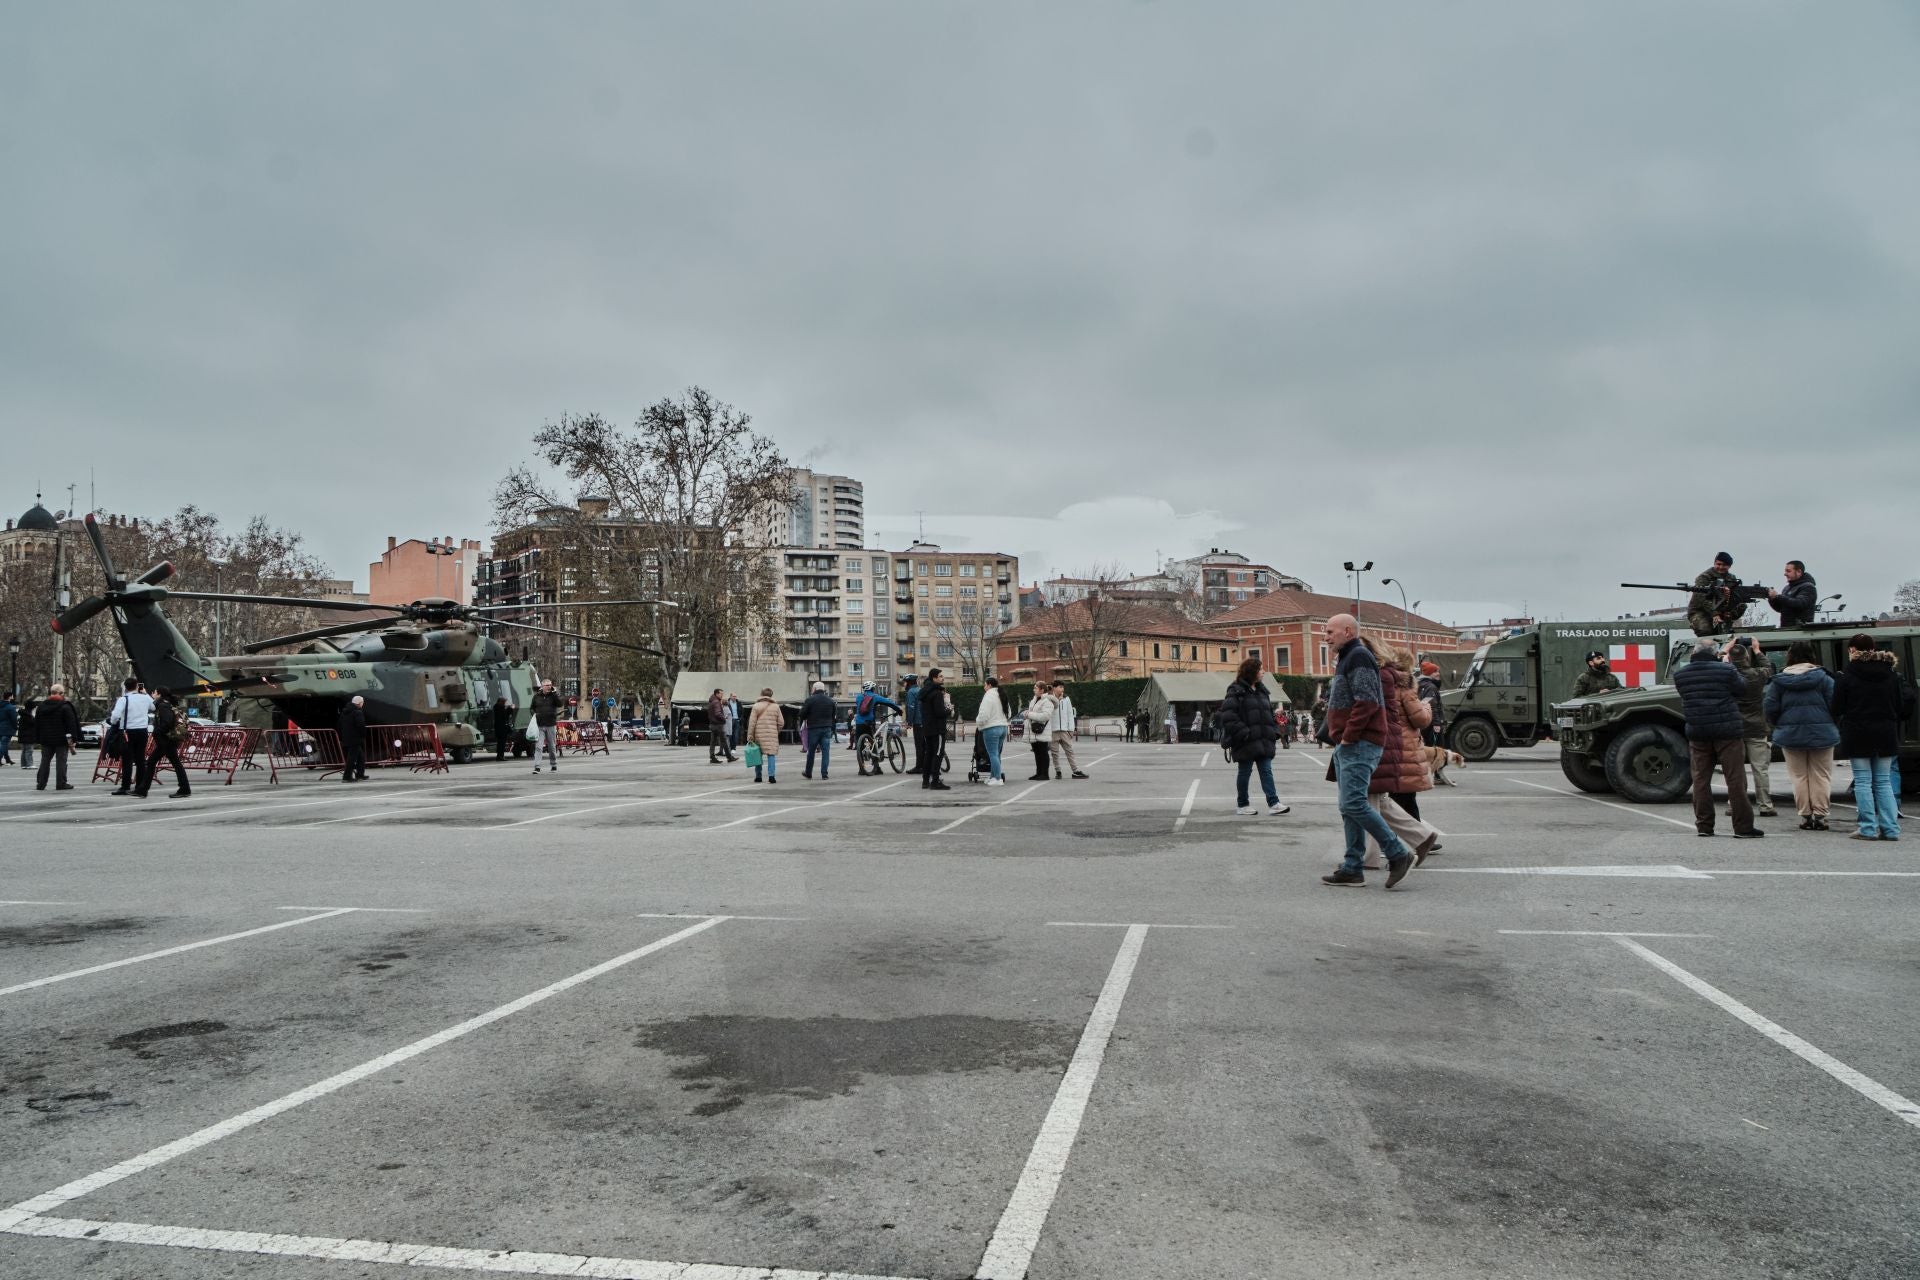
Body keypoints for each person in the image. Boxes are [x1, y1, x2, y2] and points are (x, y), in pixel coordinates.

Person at [1319, 616, 1416, 888]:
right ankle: (1352, 867)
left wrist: (1349, 736)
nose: (1326, 637)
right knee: (1348, 806)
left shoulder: (1359, 656)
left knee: (1353, 803)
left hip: (1359, 743)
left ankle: (1398, 854)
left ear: (1347, 631)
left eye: (1330, 631)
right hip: (1350, 744)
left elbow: (1368, 701)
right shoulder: (1349, 657)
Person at [1673, 639, 1762, 838]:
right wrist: (1728, 663)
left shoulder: (1680, 675)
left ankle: (1704, 826)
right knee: (1735, 780)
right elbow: (1742, 689)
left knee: (1700, 780)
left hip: (1698, 731)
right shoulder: (1726, 670)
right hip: (1728, 731)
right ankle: (1743, 827)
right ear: (1715, 654)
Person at [1364, 647, 1442, 865]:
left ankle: (1411, 841)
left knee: (1388, 798)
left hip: (1387, 745)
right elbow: (1419, 719)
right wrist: (1426, 708)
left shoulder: (1381, 681)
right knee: (1401, 797)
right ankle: (1418, 839)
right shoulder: (1405, 686)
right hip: (1404, 745)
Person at [1831, 635, 1905, 842]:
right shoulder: (1891, 674)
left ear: (1853, 650)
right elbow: (1899, 706)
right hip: (1886, 732)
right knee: (1883, 782)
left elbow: (1836, 708)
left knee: (1863, 781)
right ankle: (1890, 829)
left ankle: (1868, 828)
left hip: (1857, 732)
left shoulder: (1846, 676)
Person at [1765, 639, 1839, 830]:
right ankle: (1821, 815)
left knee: (1799, 776)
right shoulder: (1824, 678)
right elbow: (1836, 705)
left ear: (1789, 656)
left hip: (1790, 734)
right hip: (1822, 733)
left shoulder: (1779, 681)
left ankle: (1805, 815)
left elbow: (1770, 707)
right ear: (1812, 656)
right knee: (1821, 775)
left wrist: (1779, 724)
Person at [1215, 656, 1288, 816]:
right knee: (1245, 772)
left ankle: (1274, 803)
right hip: (1246, 741)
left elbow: (1268, 713)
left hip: (1263, 739)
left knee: (1266, 771)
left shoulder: (1262, 691)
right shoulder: (1235, 690)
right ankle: (1242, 804)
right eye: (1261, 669)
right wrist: (1245, 733)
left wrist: (1274, 731)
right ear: (1252, 671)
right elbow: (1228, 716)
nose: (1263, 672)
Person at [1726, 639, 1777, 817]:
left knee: (1736, 770)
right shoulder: (1757, 674)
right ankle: (1765, 805)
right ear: (1747, 658)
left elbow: (1717, 665)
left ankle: (1735, 804)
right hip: (1757, 727)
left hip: (1734, 728)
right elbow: (1768, 667)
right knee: (1760, 769)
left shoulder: (1727, 675)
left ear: (1730, 659)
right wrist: (1757, 650)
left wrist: (1724, 651)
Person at [108, 676, 155, 797]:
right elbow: (154, 707)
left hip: (127, 731)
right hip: (142, 731)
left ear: (125, 687)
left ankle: (125, 786)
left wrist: (114, 723)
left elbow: (115, 715)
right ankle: (140, 786)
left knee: (127, 760)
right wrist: (146, 694)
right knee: (140, 759)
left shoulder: (124, 699)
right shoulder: (145, 698)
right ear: (137, 686)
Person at [140, 689, 191, 798]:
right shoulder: (165, 704)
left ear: (159, 694)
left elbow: (167, 722)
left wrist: (158, 731)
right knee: (153, 762)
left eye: (154, 692)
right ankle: (143, 789)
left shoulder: (163, 706)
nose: (152, 694)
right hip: (166, 741)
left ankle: (184, 788)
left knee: (173, 763)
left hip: (166, 741)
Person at [30, 683, 80, 790]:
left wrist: (38, 738)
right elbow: (71, 724)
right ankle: (61, 783)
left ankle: (41, 783)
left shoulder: (42, 706)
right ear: (61, 693)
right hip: (62, 739)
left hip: (46, 739)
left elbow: (37, 724)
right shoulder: (65, 706)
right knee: (61, 761)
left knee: (45, 761)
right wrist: (74, 739)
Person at [850, 681, 901, 776]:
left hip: (859, 723)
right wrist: (898, 709)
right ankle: (876, 767)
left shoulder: (859, 697)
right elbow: (888, 702)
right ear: (873, 689)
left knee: (859, 746)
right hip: (869, 723)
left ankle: (862, 769)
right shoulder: (875, 696)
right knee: (873, 743)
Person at [1687, 552, 1743, 637]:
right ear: (1714, 563)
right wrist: (1715, 614)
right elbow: (1702, 599)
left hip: (1722, 610)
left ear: (1729, 566)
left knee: (1741, 605)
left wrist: (1729, 610)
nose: (1720, 567)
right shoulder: (1704, 577)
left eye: (1724, 565)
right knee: (1705, 630)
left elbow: (1735, 595)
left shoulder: (1731, 578)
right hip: (1701, 611)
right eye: (1718, 564)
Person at [920, 668, 952, 790]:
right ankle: (935, 781)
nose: (942, 678)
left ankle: (925, 780)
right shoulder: (937, 693)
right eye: (940, 676)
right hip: (937, 728)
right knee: (937, 754)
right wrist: (948, 710)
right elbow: (939, 712)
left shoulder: (926, 691)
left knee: (928, 753)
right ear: (934, 678)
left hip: (927, 728)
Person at [975, 676, 1010, 785]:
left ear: (989, 685)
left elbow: (984, 714)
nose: (984, 687)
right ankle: (993, 776)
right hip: (1003, 727)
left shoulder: (988, 695)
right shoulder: (1001, 694)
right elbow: (1009, 712)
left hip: (991, 728)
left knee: (992, 754)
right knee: (996, 754)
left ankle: (997, 778)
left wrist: (979, 723)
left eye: (985, 685)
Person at [1049, 682, 1087, 780]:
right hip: (1053, 731)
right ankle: (1058, 771)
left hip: (1065, 730)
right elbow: (1048, 712)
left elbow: (1070, 714)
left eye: (1063, 687)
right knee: (1054, 753)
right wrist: (1057, 701)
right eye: (1060, 687)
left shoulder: (1066, 698)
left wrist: (1071, 729)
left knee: (1070, 751)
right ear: (1054, 688)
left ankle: (1075, 771)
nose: (1062, 689)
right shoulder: (1049, 698)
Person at [800, 681, 837, 780]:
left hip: (814, 728)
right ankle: (824, 774)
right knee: (826, 752)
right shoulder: (830, 701)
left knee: (811, 751)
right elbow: (833, 716)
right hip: (827, 728)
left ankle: (808, 773)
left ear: (815, 689)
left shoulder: (810, 700)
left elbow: (802, 714)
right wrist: (832, 728)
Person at [1767, 560, 1818, 629]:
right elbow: (1781, 608)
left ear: (1799, 572)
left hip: (1801, 631)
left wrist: (1778, 596)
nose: (1785, 574)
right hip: (1787, 629)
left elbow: (1799, 603)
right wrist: (1772, 599)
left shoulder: (1808, 587)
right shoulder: (1787, 588)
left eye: (1788, 571)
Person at [746, 687, 782, 783]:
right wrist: (776, 731)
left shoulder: (756, 706)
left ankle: (758, 776)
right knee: (771, 755)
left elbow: (752, 723)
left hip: (758, 735)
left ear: (762, 694)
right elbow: (781, 722)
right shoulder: (776, 706)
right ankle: (771, 776)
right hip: (772, 734)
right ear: (771, 695)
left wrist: (750, 735)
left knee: (758, 755)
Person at [528, 680, 565, 772]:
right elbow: (532, 708)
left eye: (550, 685)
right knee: (538, 746)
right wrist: (534, 714)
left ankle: (553, 764)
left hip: (550, 724)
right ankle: (537, 767)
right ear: (542, 686)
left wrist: (555, 693)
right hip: (539, 725)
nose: (549, 687)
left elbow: (560, 704)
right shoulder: (536, 696)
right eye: (547, 685)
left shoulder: (553, 696)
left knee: (551, 746)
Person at [1026, 683, 1058, 780]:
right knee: (1037, 752)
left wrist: (1029, 714)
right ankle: (1038, 773)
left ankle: (1045, 774)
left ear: (1042, 690)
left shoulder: (1047, 701)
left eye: (1036, 688)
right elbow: (1031, 712)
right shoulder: (1034, 700)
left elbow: (1046, 716)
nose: (1033, 690)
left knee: (1043, 753)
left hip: (1042, 731)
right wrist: (1027, 714)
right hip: (1034, 731)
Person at [336, 694, 369, 782]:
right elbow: (360, 725)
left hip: (347, 738)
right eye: (362, 702)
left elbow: (339, 726)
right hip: (356, 739)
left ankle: (360, 774)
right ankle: (347, 777)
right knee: (352, 758)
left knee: (360, 757)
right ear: (359, 703)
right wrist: (363, 735)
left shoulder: (344, 712)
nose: (362, 704)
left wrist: (342, 736)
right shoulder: (358, 712)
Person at [1416, 661, 1446, 747]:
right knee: (1437, 750)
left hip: (1425, 723)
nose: (1438, 674)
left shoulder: (1421, 685)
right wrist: (1436, 724)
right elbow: (1432, 706)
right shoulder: (1430, 687)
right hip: (1431, 725)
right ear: (1429, 674)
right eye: (1435, 672)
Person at [705, 688, 735, 764]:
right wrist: (724, 720)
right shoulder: (716, 702)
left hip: (712, 724)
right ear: (717, 694)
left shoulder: (711, 701)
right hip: (718, 725)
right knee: (724, 741)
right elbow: (718, 713)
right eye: (721, 693)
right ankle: (729, 757)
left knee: (713, 742)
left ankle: (712, 757)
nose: (722, 695)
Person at [902, 674, 925, 771]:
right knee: (924, 745)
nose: (904, 684)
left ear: (909, 682)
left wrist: (909, 722)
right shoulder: (920, 690)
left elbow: (911, 707)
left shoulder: (911, 692)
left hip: (917, 721)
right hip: (924, 721)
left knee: (919, 745)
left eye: (905, 682)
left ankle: (919, 767)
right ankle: (925, 765)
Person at [491, 695, 514, 762]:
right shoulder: (500, 708)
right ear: (502, 702)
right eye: (504, 702)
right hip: (502, 728)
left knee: (500, 743)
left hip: (498, 728)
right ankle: (500, 756)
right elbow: (505, 716)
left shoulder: (496, 707)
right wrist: (511, 708)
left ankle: (499, 756)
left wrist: (507, 708)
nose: (505, 703)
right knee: (502, 743)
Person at [18, 693, 38, 771]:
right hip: (28, 735)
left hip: (23, 735)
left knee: (24, 750)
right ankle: (29, 764)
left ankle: (24, 764)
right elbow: (33, 723)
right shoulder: (28, 715)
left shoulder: (23, 714)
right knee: (29, 750)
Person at [0, 692, 16, 766]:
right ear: (10, 697)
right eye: (12, 696)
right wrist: (15, 727)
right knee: (4, 744)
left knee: (3, 744)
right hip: (7, 728)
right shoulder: (10, 707)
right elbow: (14, 719)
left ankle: (7, 759)